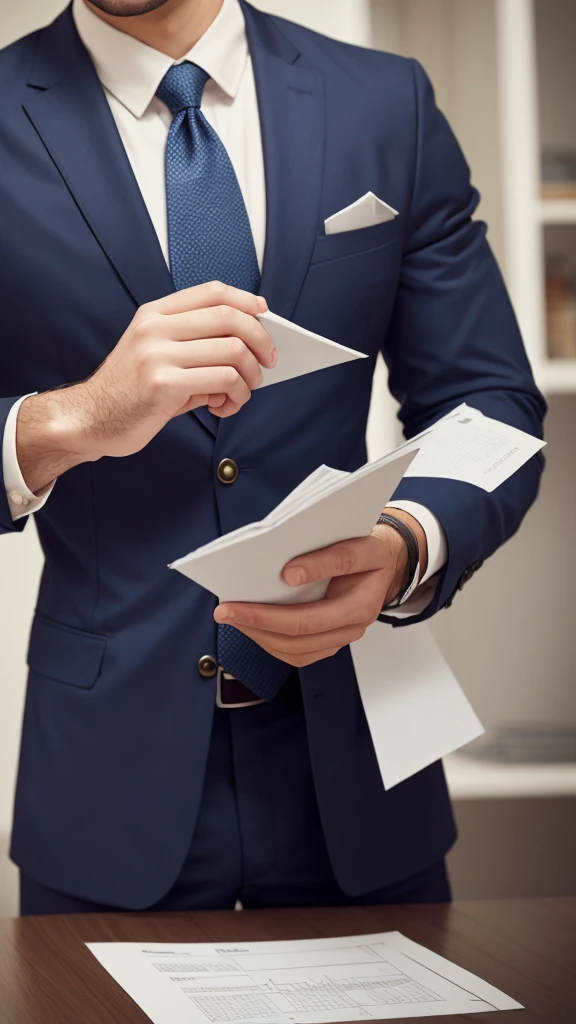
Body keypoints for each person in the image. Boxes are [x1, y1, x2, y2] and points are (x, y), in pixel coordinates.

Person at [0, 0, 545, 916]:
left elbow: (489, 401)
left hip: (365, 775)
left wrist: (409, 542)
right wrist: (79, 417)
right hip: (106, 791)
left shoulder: (384, 101)